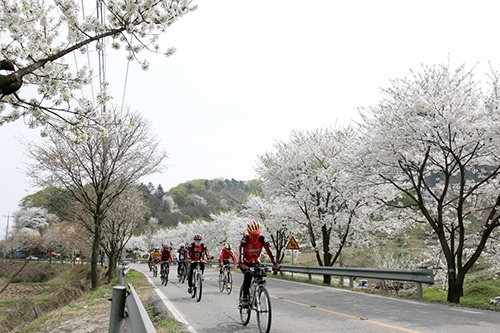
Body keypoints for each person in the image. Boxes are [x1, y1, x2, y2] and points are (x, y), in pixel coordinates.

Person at [238, 220, 280, 307]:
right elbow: (241, 253)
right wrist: (242, 264)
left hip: (256, 261)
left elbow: (270, 252)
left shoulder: (262, 239)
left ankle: (258, 293)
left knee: (261, 275)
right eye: (253, 235)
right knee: (248, 276)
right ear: (249, 233)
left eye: (257, 235)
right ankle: (245, 297)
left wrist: (275, 263)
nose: (255, 237)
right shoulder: (245, 240)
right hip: (245, 262)